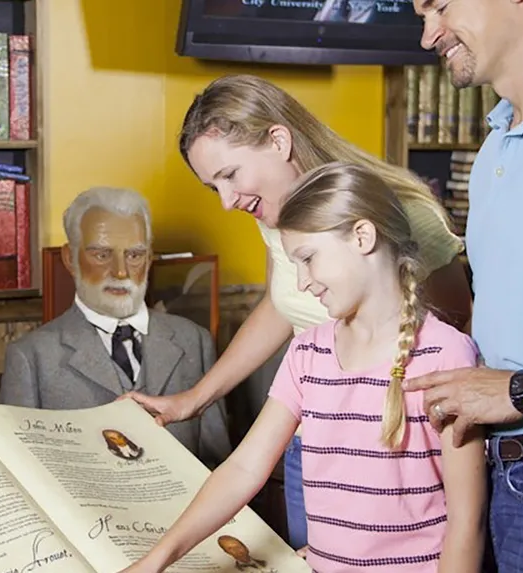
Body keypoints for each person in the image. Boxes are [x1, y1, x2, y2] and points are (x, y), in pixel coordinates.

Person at [122, 74, 472, 550]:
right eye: (212, 188)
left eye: (229, 176)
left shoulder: (403, 216)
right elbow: (281, 305)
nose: (226, 202)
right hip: (310, 443)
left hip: (395, 448)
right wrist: (194, 399)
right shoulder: (278, 223)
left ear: (279, 141)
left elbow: (452, 330)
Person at [403, 1, 523, 569]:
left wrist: (518, 391)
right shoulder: (494, 150)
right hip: (501, 470)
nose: (429, 35)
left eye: (440, 5)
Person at [0, 187, 232, 466]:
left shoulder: (193, 340)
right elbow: (19, 471)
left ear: (149, 257)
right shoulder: (31, 357)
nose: (121, 272)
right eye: (101, 255)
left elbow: (218, 463)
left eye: (134, 255)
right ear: (69, 258)